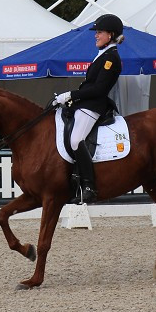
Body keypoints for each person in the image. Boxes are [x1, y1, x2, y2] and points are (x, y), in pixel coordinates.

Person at [52, 13, 123, 204]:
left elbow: (99, 89)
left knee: (76, 140)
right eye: (96, 32)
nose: (96, 35)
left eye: (99, 32)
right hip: (85, 104)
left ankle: (89, 187)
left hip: (94, 106)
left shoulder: (111, 58)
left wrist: (71, 95)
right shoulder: (102, 55)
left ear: (110, 34)